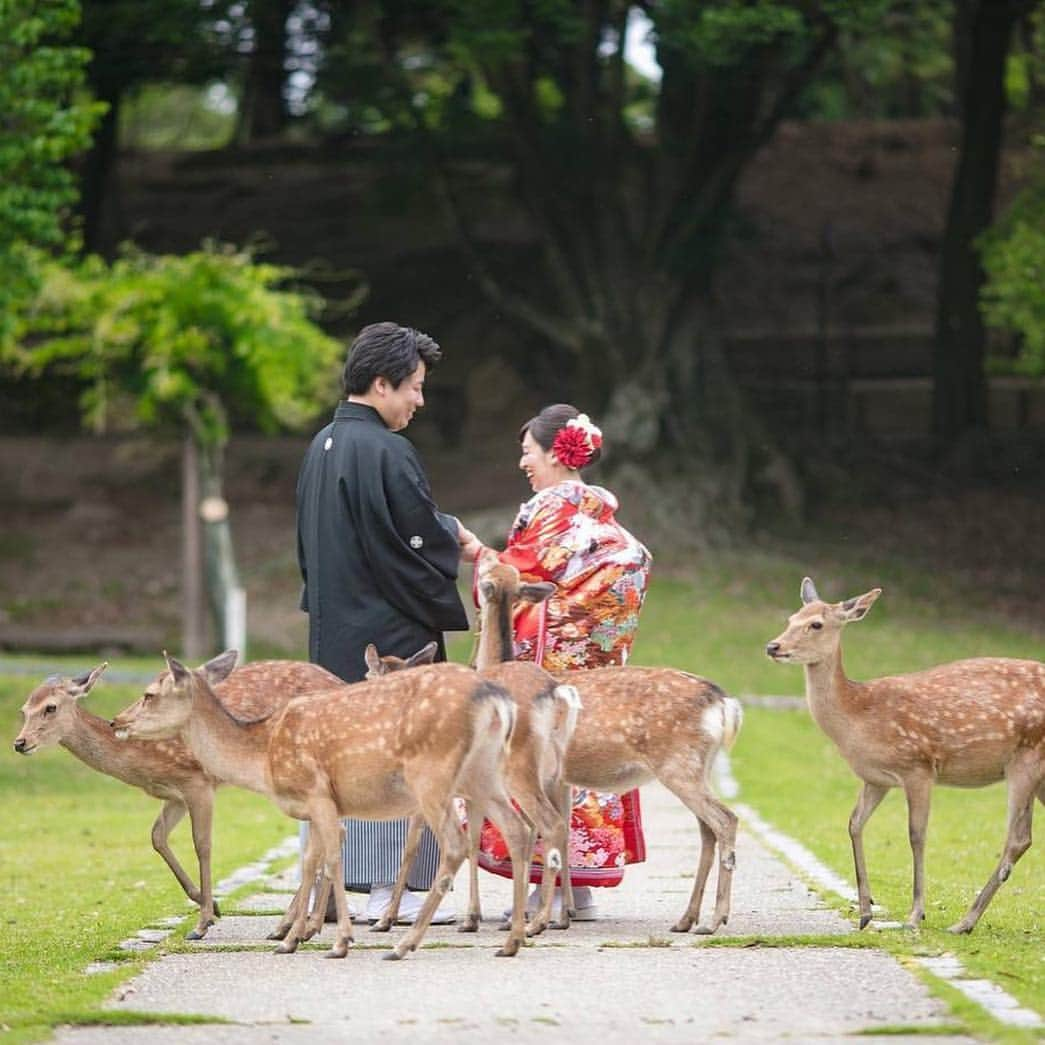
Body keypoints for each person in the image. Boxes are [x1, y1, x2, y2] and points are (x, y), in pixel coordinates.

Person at [295, 321, 475, 925]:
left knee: (336, 752)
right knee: (397, 753)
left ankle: (325, 886)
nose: (419, 401)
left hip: (333, 628)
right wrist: (452, 536)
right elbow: (411, 538)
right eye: (415, 388)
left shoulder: (321, 446)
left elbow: (320, 544)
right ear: (381, 384)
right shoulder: (387, 450)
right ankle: (390, 889)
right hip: (389, 638)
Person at [461, 403, 652, 920]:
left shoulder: (547, 508)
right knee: (580, 760)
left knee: (537, 765)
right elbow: (625, 566)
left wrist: (477, 554)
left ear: (554, 452)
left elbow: (515, 575)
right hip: (593, 657)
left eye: (528, 451)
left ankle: (548, 883)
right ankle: (576, 888)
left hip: (550, 660)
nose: (523, 462)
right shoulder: (597, 508)